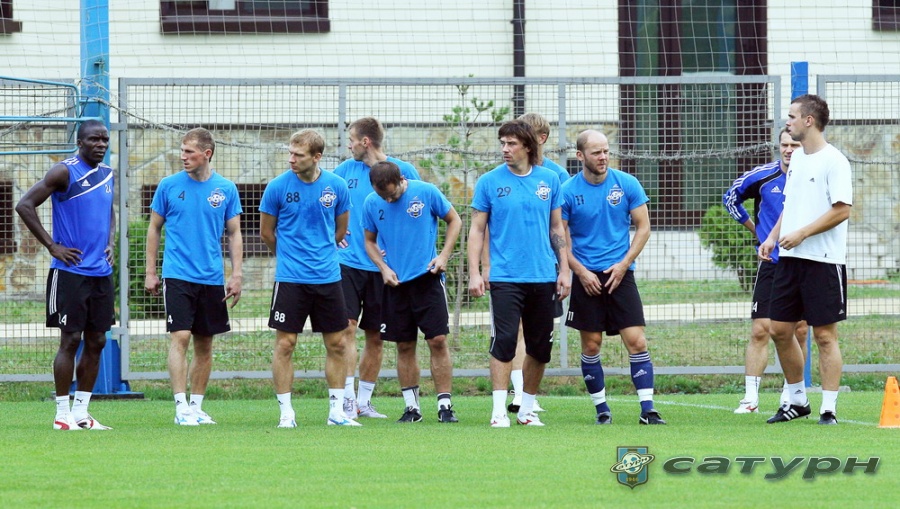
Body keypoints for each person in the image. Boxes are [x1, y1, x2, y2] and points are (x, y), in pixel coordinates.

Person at [468, 119, 570, 428]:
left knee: (540, 348)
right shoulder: (489, 182)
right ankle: (499, 411)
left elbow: (557, 228)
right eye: (502, 143)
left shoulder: (549, 180)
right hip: (505, 277)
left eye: (511, 143)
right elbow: (477, 229)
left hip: (543, 276)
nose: (505, 149)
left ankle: (526, 409)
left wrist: (564, 269)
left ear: (527, 145)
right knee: (505, 341)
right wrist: (475, 272)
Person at [16, 119, 115, 431]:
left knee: (97, 340)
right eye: (94, 140)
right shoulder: (64, 172)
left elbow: (109, 210)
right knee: (70, 339)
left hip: (101, 272)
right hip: (70, 272)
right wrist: (52, 246)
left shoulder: (107, 173)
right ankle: (62, 414)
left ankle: (82, 415)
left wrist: (111, 242)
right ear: (80, 142)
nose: (101, 145)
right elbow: (24, 205)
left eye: (105, 139)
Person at [561, 129, 665, 425]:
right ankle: (602, 410)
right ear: (580, 156)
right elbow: (559, 238)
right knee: (591, 345)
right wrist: (580, 271)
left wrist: (624, 264)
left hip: (621, 274)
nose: (603, 157)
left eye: (606, 151)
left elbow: (644, 227)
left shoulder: (627, 183)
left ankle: (648, 410)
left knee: (637, 341)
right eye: (596, 152)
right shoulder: (567, 191)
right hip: (586, 277)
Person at [760, 94, 852, 425]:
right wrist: (772, 237)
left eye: (792, 116)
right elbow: (791, 204)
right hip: (789, 258)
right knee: (779, 330)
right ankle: (798, 400)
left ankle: (828, 408)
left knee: (824, 335)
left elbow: (842, 210)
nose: (787, 122)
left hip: (823, 261)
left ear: (809, 121)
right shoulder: (797, 158)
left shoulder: (835, 161)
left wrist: (802, 234)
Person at [145, 127, 243, 426]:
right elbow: (154, 228)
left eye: (189, 152)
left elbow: (234, 233)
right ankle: (180, 407)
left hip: (211, 277)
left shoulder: (225, 189)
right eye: (182, 151)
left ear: (206, 154)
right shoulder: (169, 186)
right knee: (181, 336)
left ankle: (197, 407)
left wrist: (236, 274)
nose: (183, 156)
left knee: (205, 343)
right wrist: (151, 272)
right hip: (177, 274)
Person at [260, 129, 358, 427]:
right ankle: (286, 413)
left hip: (328, 277)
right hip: (290, 278)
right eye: (290, 153)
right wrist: (289, 257)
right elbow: (267, 233)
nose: (291, 159)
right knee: (285, 344)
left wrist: (320, 252)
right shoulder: (277, 187)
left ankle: (337, 412)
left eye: (298, 155)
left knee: (337, 343)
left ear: (317, 157)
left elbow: (340, 230)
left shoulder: (336, 186)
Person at [362, 161, 462, 423]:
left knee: (437, 340)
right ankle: (411, 408)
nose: (388, 199)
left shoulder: (426, 192)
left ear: (401, 180)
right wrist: (383, 268)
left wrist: (443, 256)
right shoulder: (371, 203)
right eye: (382, 195)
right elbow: (369, 241)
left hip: (427, 278)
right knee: (404, 344)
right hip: (395, 283)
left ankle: (445, 406)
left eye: (391, 194)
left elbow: (455, 220)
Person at [335, 117, 421, 419]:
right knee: (346, 329)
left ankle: (363, 402)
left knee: (375, 336)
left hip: (383, 269)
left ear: (365, 142)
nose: (349, 146)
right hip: (347, 264)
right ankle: (346, 401)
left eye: (351, 140)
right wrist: (335, 232)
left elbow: (417, 212)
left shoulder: (403, 171)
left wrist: (397, 244)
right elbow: (326, 203)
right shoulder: (344, 172)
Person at [723, 129, 809, 414]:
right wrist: (757, 231)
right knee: (761, 330)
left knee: (799, 330)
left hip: (804, 262)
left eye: (794, 145)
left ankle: (791, 395)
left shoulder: (812, 177)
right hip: (772, 263)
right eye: (784, 144)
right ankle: (750, 399)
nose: (788, 150)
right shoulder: (763, 177)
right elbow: (730, 198)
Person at [502, 112, 570, 414]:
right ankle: (518, 393)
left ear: (539, 139)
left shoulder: (556, 176)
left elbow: (562, 224)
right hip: (511, 268)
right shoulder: (503, 174)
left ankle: (528, 392)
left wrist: (565, 265)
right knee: (514, 329)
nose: (513, 144)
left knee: (538, 335)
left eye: (523, 135)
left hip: (545, 267)